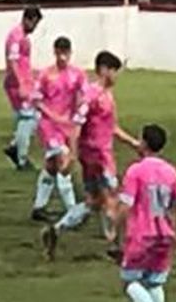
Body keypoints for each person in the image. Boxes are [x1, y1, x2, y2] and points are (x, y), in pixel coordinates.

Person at [42, 51, 141, 260]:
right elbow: (76, 125)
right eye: (114, 71)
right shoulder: (92, 95)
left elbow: (111, 126)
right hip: (97, 156)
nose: (116, 76)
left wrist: (133, 143)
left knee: (93, 201)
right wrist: (73, 155)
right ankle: (115, 245)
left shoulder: (106, 96)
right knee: (112, 197)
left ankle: (56, 230)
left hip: (98, 154)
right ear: (104, 70)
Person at [111, 124, 176, 302]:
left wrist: (115, 229)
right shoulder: (171, 171)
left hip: (142, 234)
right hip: (165, 234)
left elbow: (126, 205)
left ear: (144, 143)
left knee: (131, 282)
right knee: (154, 283)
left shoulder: (136, 171)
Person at [30, 35, 85, 223]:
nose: (63, 57)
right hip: (48, 125)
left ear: (70, 53)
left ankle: (39, 207)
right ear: (55, 52)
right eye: (59, 52)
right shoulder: (45, 75)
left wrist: (78, 116)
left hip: (66, 125)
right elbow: (36, 99)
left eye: (66, 53)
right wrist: (52, 115)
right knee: (63, 160)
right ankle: (72, 210)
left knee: (52, 166)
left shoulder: (77, 74)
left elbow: (84, 96)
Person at [2, 6, 42, 169]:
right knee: (28, 118)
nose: (35, 28)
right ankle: (21, 157)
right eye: (35, 23)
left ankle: (15, 147)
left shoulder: (21, 36)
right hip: (17, 85)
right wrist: (21, 84)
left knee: (32, 118)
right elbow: (13, 61)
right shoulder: (16, 37)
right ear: (28, 19)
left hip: (24, 83)